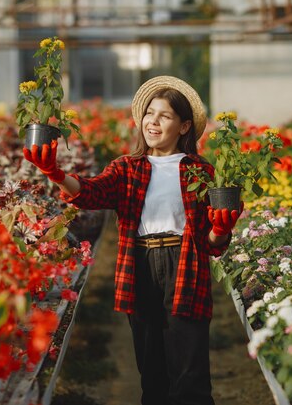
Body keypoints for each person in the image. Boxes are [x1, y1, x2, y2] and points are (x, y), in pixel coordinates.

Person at [23, 75, 242, 405]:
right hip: (139, 264)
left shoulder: (199, 171)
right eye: (149, 113)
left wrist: (222, 228)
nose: (153, 122)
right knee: (151, 368)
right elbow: (90, 193)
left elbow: (212, 243)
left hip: (184, 262)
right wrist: (55, 173)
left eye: (164, 116)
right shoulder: (127, 168)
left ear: (184, 127)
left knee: (190, 370)